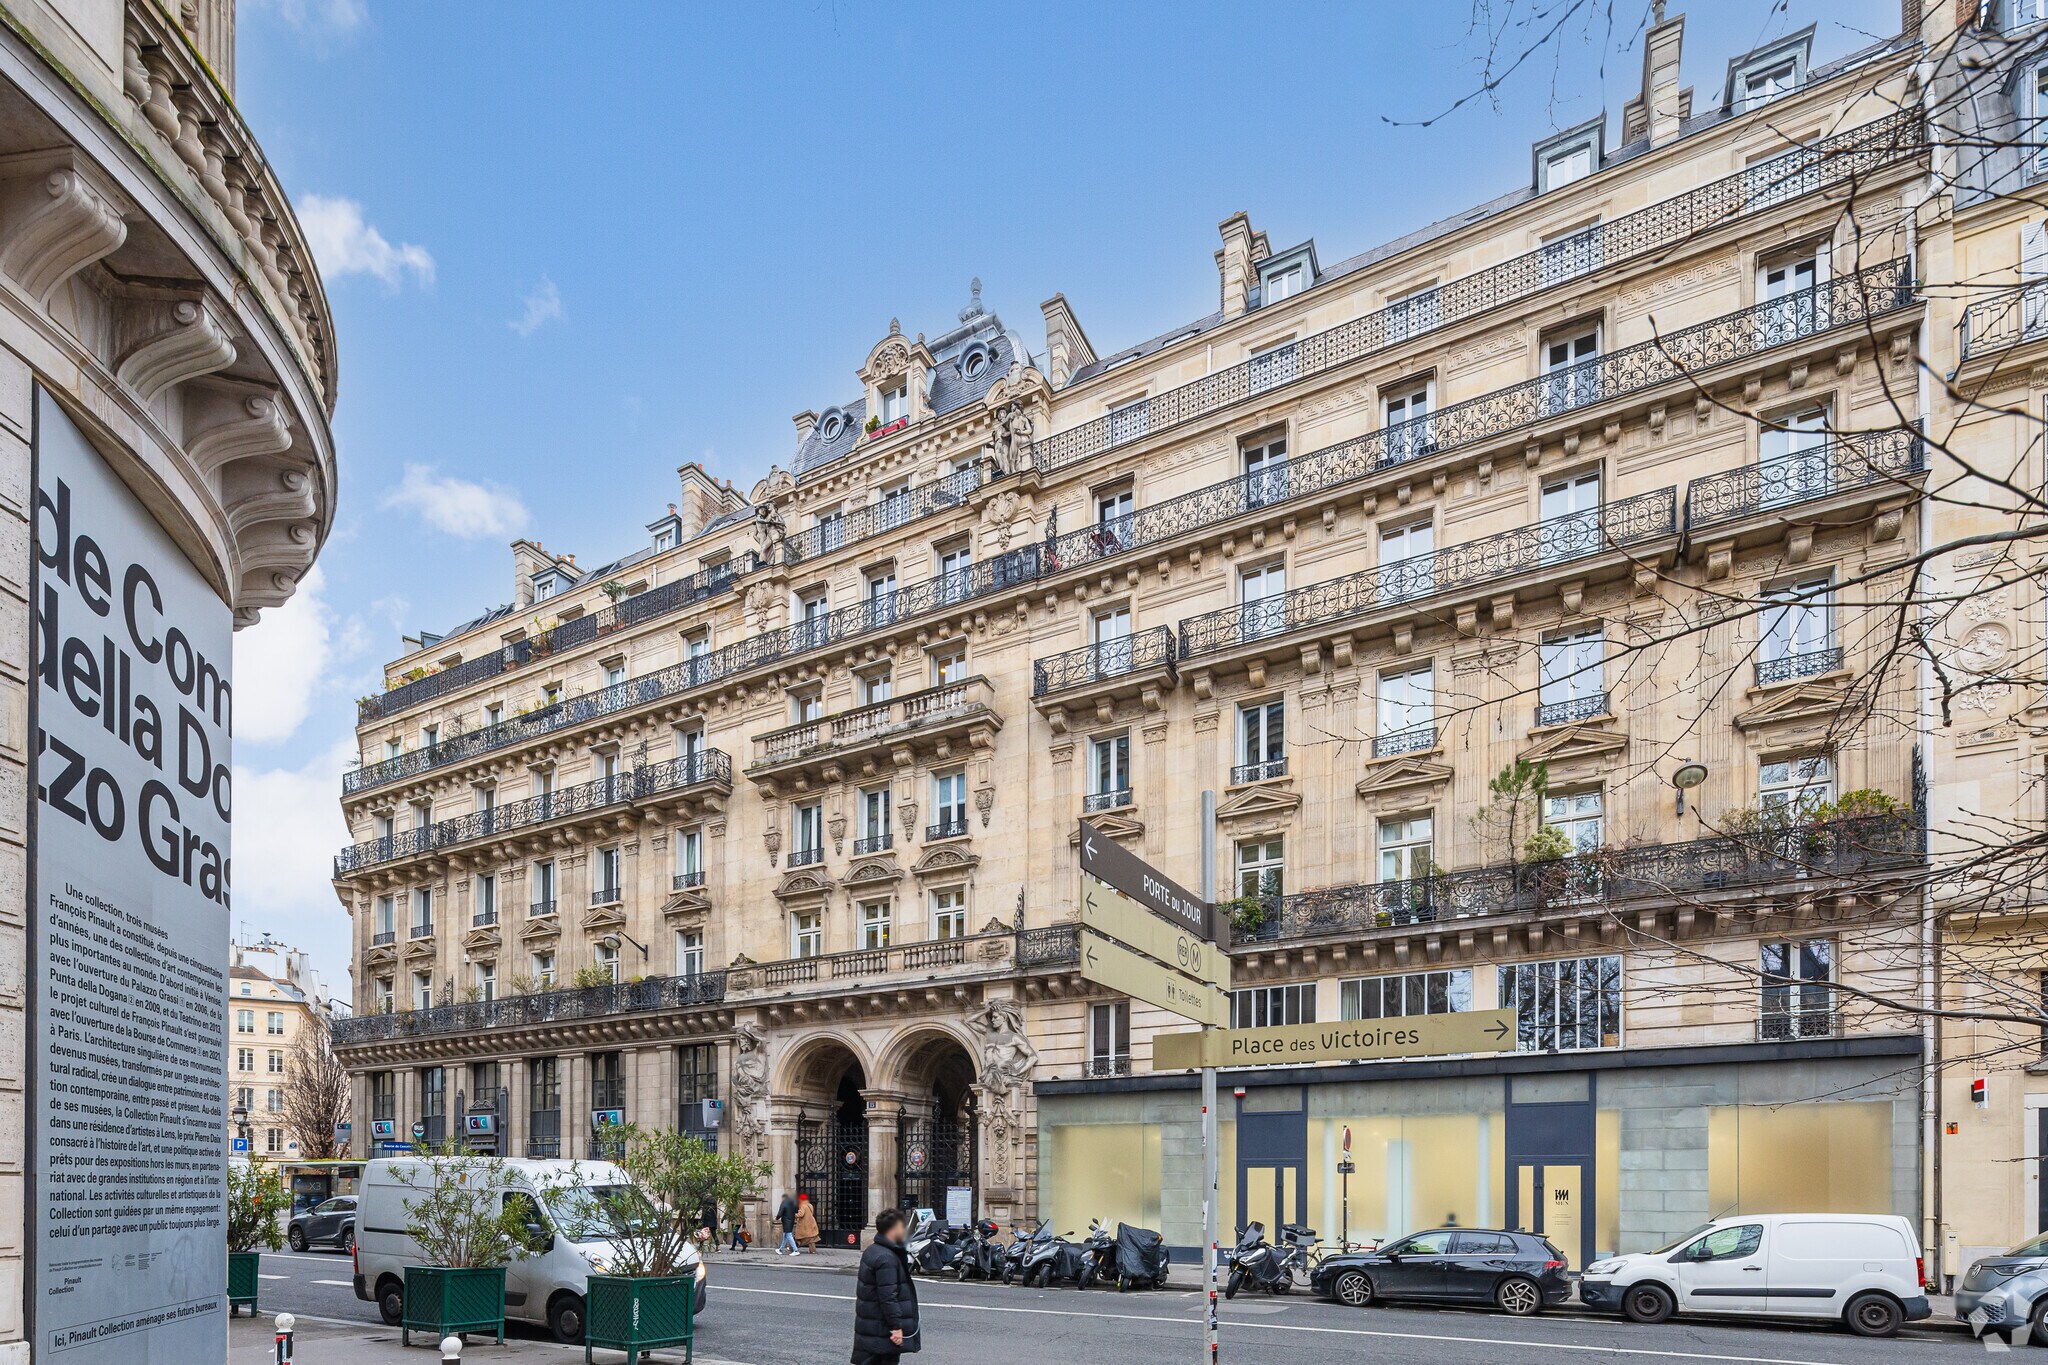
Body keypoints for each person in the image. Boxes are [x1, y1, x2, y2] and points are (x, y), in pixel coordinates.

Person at [851, 1208, 919, 1363]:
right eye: (902, 1226)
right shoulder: (886, 1258)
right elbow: (888, 1296)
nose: (904, 1230)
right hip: (882, 1329)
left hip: (873, 1326)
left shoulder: (873, 1250)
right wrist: (896, 1327)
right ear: (893, 1229)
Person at [776, 1191, 799, 1255]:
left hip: (786, 1221)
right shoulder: (792, 1202)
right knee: (785, 1235)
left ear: (783, 1198)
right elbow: (796, 1210)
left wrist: (777, 1218)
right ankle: (781, 1249)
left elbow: (781, 1211)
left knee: (788, 1235)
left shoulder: (784, 1202)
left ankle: (795, 1250)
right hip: (791, 1220)